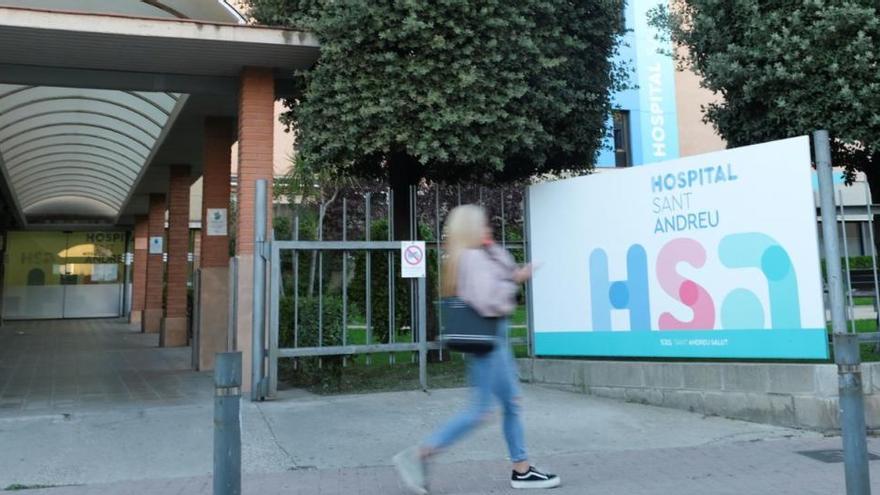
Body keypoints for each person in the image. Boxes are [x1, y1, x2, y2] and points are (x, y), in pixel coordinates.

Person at [393, 205, 561, 493]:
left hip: (495, 339)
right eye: (482, 224)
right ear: (471, 229)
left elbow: (505, 271)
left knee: (511, 403)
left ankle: (521, 469)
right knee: (481, 411)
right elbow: (488, 299)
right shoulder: (472, 258)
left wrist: (499, 257)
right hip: (490, 341)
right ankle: (421, 453)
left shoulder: (476, 254)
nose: (488, 228)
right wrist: (512, 288)